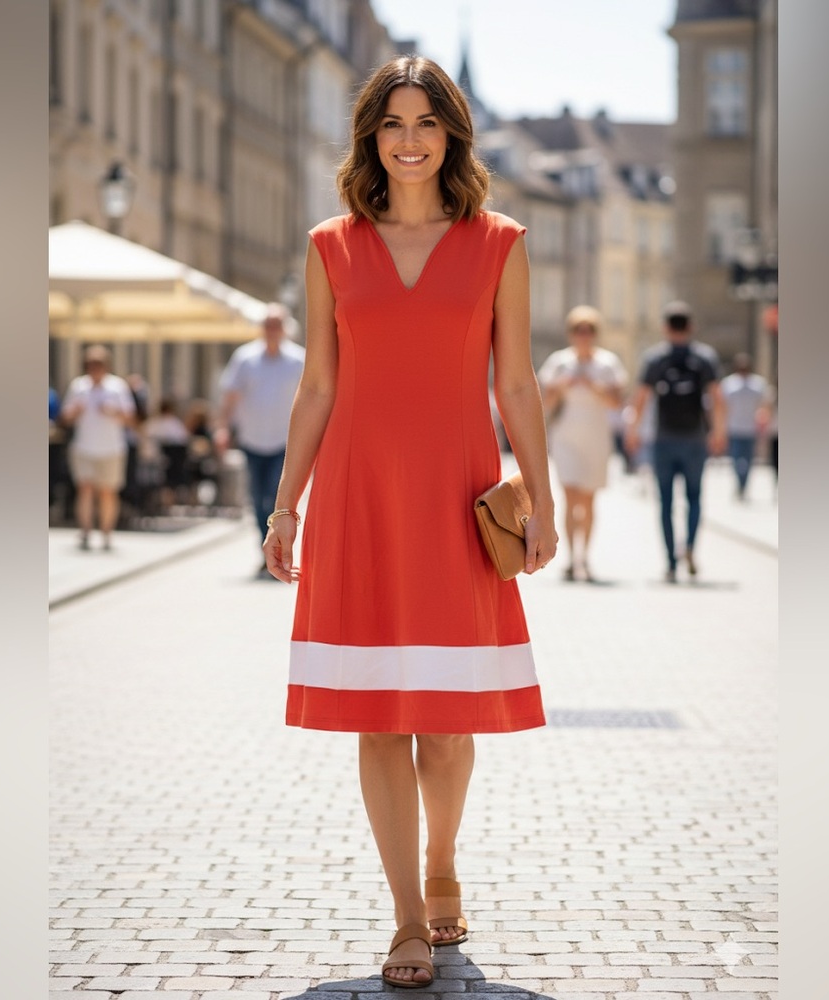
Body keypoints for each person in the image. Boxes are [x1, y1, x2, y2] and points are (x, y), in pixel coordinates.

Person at [261, 56, 557, 989]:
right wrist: (284, 504)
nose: (410, 139)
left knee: (447, 718)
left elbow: (515, 380)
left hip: (455, 496)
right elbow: (316, 387)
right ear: (370, 137)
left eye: (428, 122)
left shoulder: (499, 241)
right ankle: (405, 920)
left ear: (453, 135)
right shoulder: (330, 244)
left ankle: (443, 860)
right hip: (357, 496)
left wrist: (541, 498)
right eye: (393, 123)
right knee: (380, 719)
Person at [624, 301, 727, 583]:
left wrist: (632, 433)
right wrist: (719, 433)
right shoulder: (704, 357)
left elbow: (641, 399)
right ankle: (690, 547)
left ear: (665, 327)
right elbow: (717, 399)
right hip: (694, 438)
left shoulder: (655, 359)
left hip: (664, 439)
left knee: (666, 503)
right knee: (694, 498)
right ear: (690, 327)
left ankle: (670, 563)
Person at [538, 305, 627, 582]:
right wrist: (563, 385)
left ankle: (583, 557)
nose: (583, 336)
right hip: (566, 435)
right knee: (569, 497)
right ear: (571, 334)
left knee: (587, 500)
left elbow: (616, 402)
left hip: (595, 437)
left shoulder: (608, 363)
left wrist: (593, 386)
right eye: (578, 330)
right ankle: (568, 557)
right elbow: (545, 402)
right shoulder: (559, 362)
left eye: (588, 330)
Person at [215, 303, 305, 577]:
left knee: (274, 498)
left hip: (285, 443)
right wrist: (222, 427)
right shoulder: (245, 358)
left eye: (276, 325)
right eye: (267, 325)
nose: (271, 330)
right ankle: (265, 551)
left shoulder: (299, 359)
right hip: (252, 439)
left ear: (285, 329)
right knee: (257, 497)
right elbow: (230, 396)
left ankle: (276, 553)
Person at [60, 345, 136, 550]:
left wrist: (114, 412)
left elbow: (131, 419)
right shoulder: (79, 386)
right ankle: (85, 532)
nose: (94, 368)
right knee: (84, 489)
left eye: (98, 364)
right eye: (91, 364)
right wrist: (74, 411)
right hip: (84, 447)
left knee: (107, 492)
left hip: (111, 448)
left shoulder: (117, 386)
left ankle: (106, 533)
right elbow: (65, 418)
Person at [720, 353, 771, 500]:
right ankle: (738, 482)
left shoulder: (757, 384)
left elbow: (764, 404)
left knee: (748, 459)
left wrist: (763, 420)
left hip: (750, 427)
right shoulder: (729, 384)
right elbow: (722, 406)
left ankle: (744, 485)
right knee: (736, 458)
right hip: (734, 427)